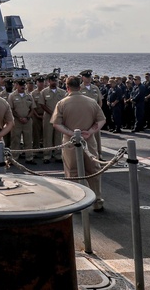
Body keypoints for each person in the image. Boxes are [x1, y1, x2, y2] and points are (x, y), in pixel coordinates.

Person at [52, 76, 106, 211]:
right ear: (80, 86)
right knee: (93, 171)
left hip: (70, 142)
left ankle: (75, 202)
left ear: (67, 87)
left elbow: (56, 124)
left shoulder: (62, 103)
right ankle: (97, 201)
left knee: (72, 173)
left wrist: (72, 133)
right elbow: (101, 120)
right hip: (89, 141)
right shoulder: (91, 102)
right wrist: (89, 132)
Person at [7, 79, 35, 164]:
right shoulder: (12, 96)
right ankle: (14, 158)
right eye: (20, 85)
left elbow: (32, 108)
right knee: (15, 140)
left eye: (24, 85)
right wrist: (19, 117)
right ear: (16, 85)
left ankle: (29, 157)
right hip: (17, 121)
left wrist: (27, 117)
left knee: (28, 140)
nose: (23, 86)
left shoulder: (29, 96)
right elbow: (11, 109)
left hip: (27, 121)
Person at [38, 73, 65, 163]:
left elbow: (64, 104)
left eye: (56, 80)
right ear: (49, 81)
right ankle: (47, 155)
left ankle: (58, 155)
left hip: (59, 117)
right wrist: (51, 112)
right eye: (53, 80)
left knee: (58, 137)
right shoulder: (44, 92)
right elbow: (42, 104)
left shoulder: (62, 92)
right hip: (48, 117)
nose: (55, 82)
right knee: (47, 136)